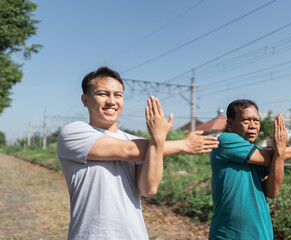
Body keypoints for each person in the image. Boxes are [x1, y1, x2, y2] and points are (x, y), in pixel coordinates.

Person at [57, 66, 219, 240]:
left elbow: (148, 188)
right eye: (103, 94)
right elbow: (127, 150)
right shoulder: (74, 132)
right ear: (85, 100)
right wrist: (182, 145)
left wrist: (157, 140)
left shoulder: (140, 143)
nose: (111, 101)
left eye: (118, 95)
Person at [209, 99, 291, 240]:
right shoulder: (224, 141)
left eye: (256, 121)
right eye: (246, 120)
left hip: (261, 233)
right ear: (230, 123)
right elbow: (271, 156)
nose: (253, 126)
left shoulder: (260, 153)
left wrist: (280, 152)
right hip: (229, 235)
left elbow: (272, 192)